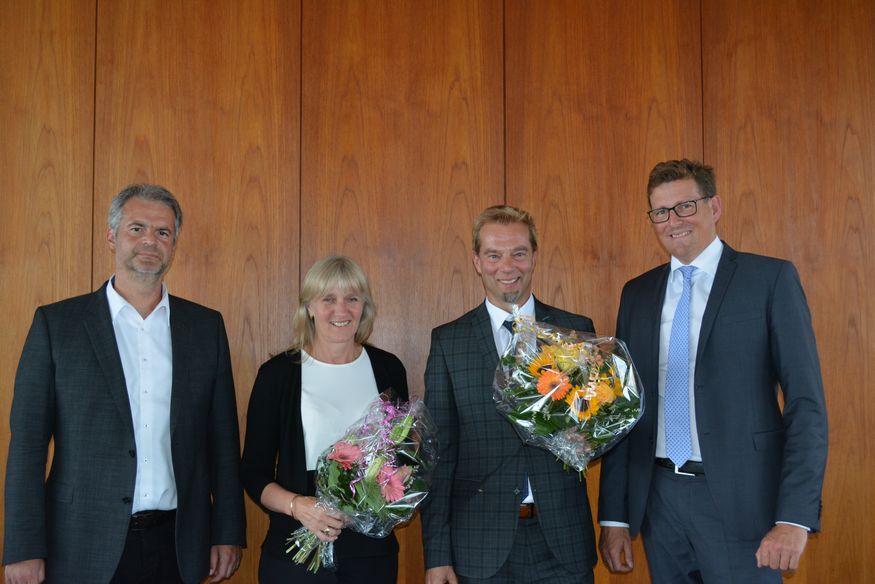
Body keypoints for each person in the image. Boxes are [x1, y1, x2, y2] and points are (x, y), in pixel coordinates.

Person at [598, 159, 828, 583]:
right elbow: (622, 413)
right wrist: (614, 517)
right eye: (661, 211)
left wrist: (794, 516)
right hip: (658, 502)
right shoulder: (637, 294)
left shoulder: (769, 280)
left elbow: (805, 405)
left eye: (685, 206)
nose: (673, 221)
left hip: (745, 504)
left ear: (715, 206)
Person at [3, 184, 246, 584]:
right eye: (137, 228)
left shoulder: (205, 328)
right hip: (79, 544)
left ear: (174, 245)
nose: (150, 240)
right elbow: (27, 445)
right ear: (112, 236)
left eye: (163, 232)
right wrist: (24, 547)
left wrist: (227, 533)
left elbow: (222, 441)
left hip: (180, 545)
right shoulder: (56, 325)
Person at [421, 205, 597, 584]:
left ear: (534, 256)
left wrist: (587, 436)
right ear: (476, 262)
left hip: (564, 543)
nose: (508, 265)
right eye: (494, 255)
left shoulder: (575, 332)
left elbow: (597, 428)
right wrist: (436, 556)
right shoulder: (449, 342)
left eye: (518, 252)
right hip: (480, 548)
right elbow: (439, 454)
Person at [240, 255, 409, 583]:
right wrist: (298, 506)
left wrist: (398, 483)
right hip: (295, 549)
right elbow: (253, 472)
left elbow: (403, 456)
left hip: (371, 552)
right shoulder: (277, 375)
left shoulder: (388, 368)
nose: (341, 310)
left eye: (352, 298)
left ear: (364, 306)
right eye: (328, 299)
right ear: (309, 307)